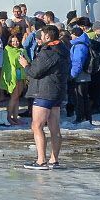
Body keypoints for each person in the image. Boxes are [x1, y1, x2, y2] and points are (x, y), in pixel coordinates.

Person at [21, 24, 69, 170]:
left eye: (41, 36)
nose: (39, 39)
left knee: (37, 125)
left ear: (48, 37)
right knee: (54, 127)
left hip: (45, 92)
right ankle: (54, 160)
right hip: (57, 91)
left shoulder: (48, 52)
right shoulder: (63, 49)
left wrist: (25, 65)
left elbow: (35, 71)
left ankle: (41, 161)